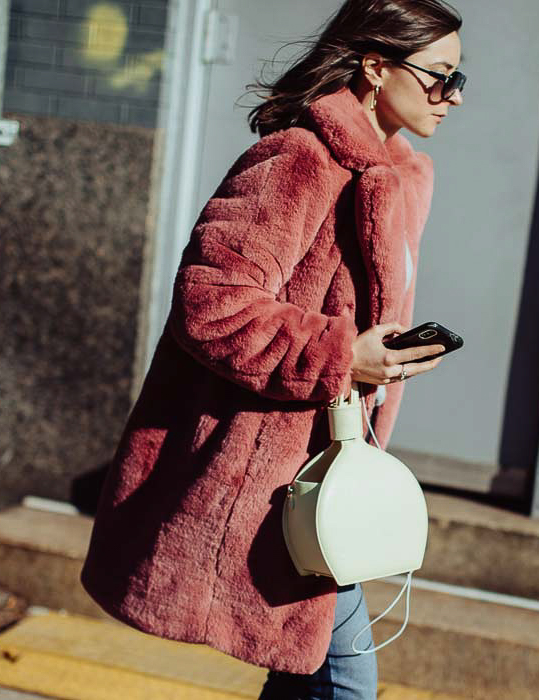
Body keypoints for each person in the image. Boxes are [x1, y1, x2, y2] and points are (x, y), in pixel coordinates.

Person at [81, 1, 465, 697]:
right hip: (269, 482)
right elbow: (211, 303)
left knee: (307, 672)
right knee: (342, 680)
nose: (453, 95)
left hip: (324, 471)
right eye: (438, 75)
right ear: (377, 67)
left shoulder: (399, 177)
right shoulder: (299, 157)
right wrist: (342, 355)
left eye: (459, 78)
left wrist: (382, 357)